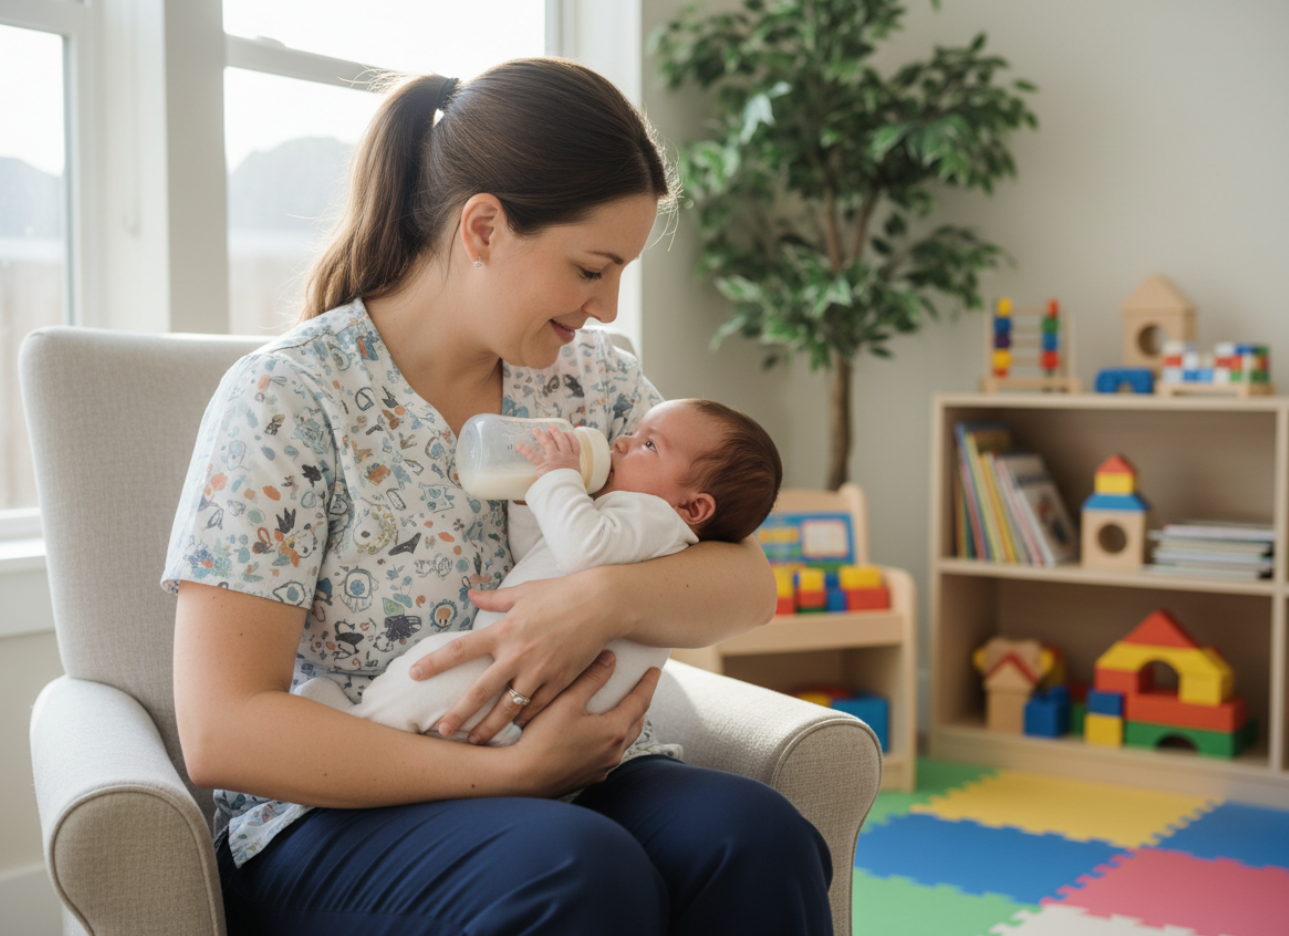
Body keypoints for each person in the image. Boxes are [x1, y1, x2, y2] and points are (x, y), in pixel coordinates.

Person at [165, 58, 833, 935]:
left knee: (757, 836)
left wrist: (597, 601)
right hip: (343, 810)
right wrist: (516, 775)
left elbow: (746, 585)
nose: (606, 305)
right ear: (483, 227)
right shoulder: (290, 399)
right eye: (592, 267)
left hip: (576, 769)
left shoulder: (592, 382)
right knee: (578, 869)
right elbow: (224, 731)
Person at [295, 398, 784, 748]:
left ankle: (357, 725)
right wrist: (533, 502)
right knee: (435, 675)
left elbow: (581, 551)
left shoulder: (656, 521)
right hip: (529, 693)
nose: (621, 441)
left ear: (694, 506)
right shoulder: (627, 520)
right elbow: (540, 556)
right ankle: (362, 722)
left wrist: (558, 478)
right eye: (634, 432)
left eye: (648, 446)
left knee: (433, 670)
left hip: (529, 689)